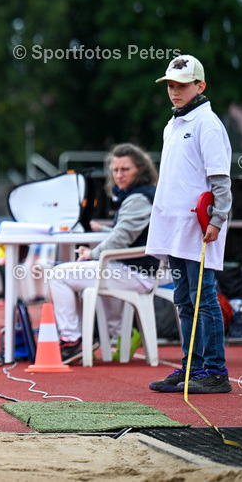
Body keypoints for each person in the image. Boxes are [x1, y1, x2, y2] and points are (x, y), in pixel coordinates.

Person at [146, 55, 232, 395]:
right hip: (176, 229)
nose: (174, 91)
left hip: (198, 228)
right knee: (184, 298)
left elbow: (220, 179)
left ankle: (215, 370)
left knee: (203, 299)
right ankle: (192, 367)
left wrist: (217, 219)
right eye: (170, 85)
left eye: (181, 85)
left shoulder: (207, 124)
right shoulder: (173, 125)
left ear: (200, 86)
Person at [48, 143, 160, 364]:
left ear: (140, 170)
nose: (118, 175)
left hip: (135, 272)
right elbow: (131, 233)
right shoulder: (141, 195)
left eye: (125, 169)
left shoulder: (138, 198)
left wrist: (93, 253)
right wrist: (105, 232)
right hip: (134, 269)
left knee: (58, 275)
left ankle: (72, 341)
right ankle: (121, 333)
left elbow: (121, 239)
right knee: (81, 276)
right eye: (115, 170)